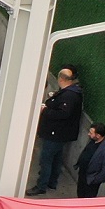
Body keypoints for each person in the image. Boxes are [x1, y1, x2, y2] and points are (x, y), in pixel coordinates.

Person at [30, 65, 84, 195]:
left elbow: (63, 114)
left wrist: (46, 110)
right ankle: (52, 182)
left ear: (61, 79)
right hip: (62, 134)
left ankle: (41, 185)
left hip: (55, 133)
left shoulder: (68, 96)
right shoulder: (73, 93)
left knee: (46, 159)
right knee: (56, 158)